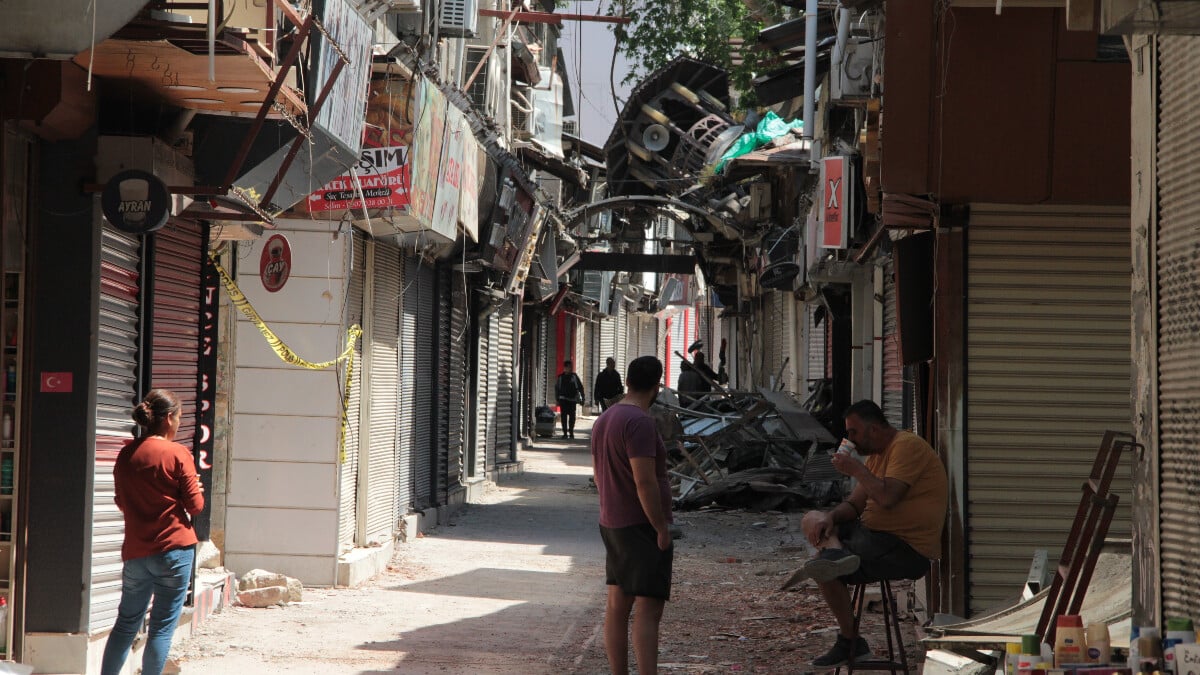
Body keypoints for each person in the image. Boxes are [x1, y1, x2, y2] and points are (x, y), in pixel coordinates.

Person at [786, 400, 947, 668]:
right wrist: (830, 518)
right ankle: (835, 554)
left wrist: (855, 469)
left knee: (821, 567)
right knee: (811, 520)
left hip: (904, 547)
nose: (851, 439)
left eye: (854, 432)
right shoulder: (875, 457)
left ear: (873, 430)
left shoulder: (906, 446)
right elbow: (853, 506)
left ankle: (849, 640)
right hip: (873, 536)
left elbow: (887, 497)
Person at [101, 389, 205, 675]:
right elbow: (195, 507)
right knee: (161, 628)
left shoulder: (126, 455)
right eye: (180, 417)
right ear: (169, 418)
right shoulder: (177, 454)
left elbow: (122, 502)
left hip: (135, 552)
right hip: (174, 550)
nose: (180, 423)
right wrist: (194, 489)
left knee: (125, 625)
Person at [591, 355, 672, 675]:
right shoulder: (639, 422)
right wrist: (660, 526)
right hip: (640, 525)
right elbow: (644, 480)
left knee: (617, 606)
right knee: (648, 607)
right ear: (657, 387)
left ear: (627, 382)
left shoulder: (606, 419)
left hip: (612, 521)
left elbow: (598, 476)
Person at [555, 359, 586, 439]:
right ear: (565, 368)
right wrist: (557, 400)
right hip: (563, 400)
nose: (570, 368)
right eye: (568, 367)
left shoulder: (574, 377)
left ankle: (571, 432)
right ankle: (565, 433)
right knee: (564, 418)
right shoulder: (561, 377)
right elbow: (557, 389)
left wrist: (583, 398)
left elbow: (580, 387)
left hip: (572, 400)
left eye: (571, 367)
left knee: (572, 418)